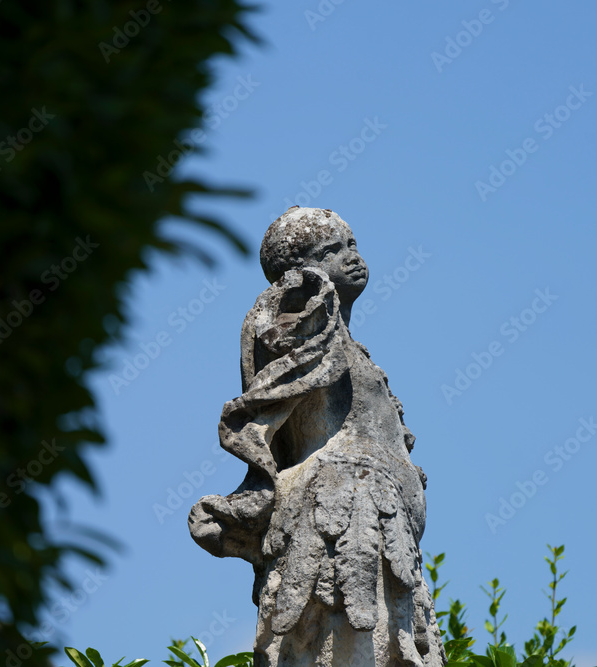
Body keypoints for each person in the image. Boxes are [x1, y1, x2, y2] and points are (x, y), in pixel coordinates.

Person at [189, 207, 445, 667]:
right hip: (340, 514)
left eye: (352, 243)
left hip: (389, 536)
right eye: (332, 251)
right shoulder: (304, 330)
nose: (352, 257)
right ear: (302, 272)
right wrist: (305, 293)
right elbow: (273, 330)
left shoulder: (356, 352)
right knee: (346, 641)